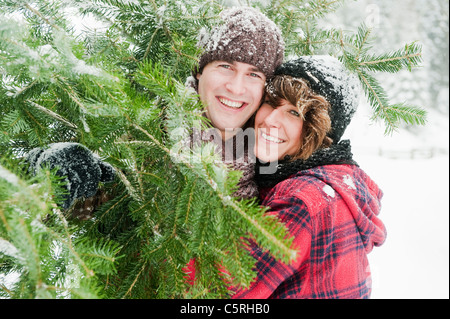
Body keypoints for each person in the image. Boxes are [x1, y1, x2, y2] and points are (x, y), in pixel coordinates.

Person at [26, 6, 285, 211]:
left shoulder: (272, 155)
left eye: (254, 75)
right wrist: (52, 169)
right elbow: (93, 202)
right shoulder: (149, 130)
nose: (236, 88)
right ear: (198, 71)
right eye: (225, 66)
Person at [230, 55, 387, 299]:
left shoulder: (303, 201)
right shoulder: (335, 180)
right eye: (271, 102)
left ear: (321, 131)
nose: (270, 120)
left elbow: (216, 286)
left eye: (294, 112)